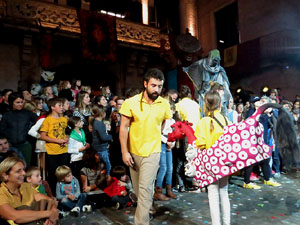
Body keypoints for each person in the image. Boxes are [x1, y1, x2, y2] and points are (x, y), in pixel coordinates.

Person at [119, 68, 172, 224]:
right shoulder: (131, 102)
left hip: (153, 152)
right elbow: (123, 127)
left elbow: (163, 124)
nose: (157, 89)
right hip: (133, 152)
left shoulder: (164, 104)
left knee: (145, 189)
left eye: (159, 86)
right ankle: (147, 207)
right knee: (138, 190)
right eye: (153, 85)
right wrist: (124, 152)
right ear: (145, 84)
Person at [194, 90, 230, 225]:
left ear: (205, 105)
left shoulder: (203, 122)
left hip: (210, 164)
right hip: (225, 162)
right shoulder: (226, 120)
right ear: (220, 104)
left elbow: (201, 144)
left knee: (213, 195)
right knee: (224, 193)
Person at [0, 157, 58, 225]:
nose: (24, 173)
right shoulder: (1, 193)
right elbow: (14, 216)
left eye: (23, 170)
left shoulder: (26, 186)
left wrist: (51, 215)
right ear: (5, 175)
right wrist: (48, 214)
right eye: (18, 171)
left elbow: (49, 201)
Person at [40, 98, 69, 193]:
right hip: (52, 151)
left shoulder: (64, 119)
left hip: (63, 150)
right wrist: (58, 141)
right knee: (53, 174)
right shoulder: (47, 120)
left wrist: (66, 138)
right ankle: (53, 194)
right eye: (59, 106)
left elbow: (67, 131)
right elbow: (43, 136)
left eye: (62, 105)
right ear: (52, 107)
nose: (62, 107)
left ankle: (64, 193)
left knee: (64, 173)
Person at [0, 92, 37, 166]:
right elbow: (2, 130)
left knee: (26, 166)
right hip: (10, 146)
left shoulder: (29, 114)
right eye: (17, 102)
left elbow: (39, 124)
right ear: (11, 102)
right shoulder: (7, 115)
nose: (20, 104)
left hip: (25, 145)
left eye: (21, 102)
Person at [154, 101, 177, 201]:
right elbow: (157, 133)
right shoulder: (162, 120)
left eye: (171, 110)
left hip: (169, 143)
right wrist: (166, 141)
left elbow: (175, 133)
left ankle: (169, 189)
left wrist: (172, 143)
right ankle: (158, 191)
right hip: (162, 143)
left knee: (170, 168)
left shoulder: (173, 121)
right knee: (163, 167)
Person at [90, 105, 112, 176]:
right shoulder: (99, 124)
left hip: (99, 148)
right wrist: (111, 137)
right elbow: (103, 137)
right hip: (101, 149)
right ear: (102, 113)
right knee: (107, 166)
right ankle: (107, 178)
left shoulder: (96, 121)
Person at [67, 116, 90, 182]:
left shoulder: (82, 132)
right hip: (76, 159)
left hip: (83, 158)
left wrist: (86, 144)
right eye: (80, 122)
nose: (82, 123)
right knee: (78, 178)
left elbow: (83, 142)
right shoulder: (71, 136)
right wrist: (80, 149)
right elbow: (69, 150)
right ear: (75, 124)